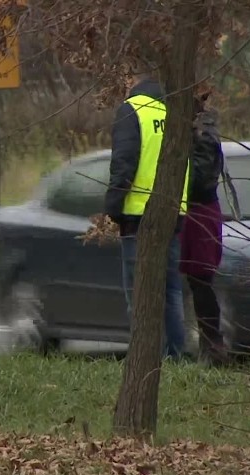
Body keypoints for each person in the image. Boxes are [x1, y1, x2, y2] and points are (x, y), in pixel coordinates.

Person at [104, 70, 190, 360]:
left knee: (139, 294)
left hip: (138, 213)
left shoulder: (132, 110)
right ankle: (175, 355)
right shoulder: (173, 112)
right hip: (174, 211)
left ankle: (145, 358)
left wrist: (113, 206)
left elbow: (124, 162)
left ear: (131, 79)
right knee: (171, 290)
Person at [180, 93, 229, 365]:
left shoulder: (204, 132)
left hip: (198, 210)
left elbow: (200, 179)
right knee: (193, 282)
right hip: (192, 209)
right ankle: (204, 344)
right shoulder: (199, 129)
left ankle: (212, 346)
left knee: (200, 281)